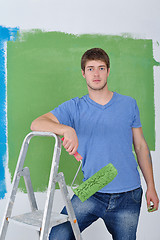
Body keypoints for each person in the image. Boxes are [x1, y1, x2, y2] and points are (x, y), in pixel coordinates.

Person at [31, 48, 159, 240]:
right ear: (83, 73)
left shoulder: (128, 104)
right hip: (93, 185)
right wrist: (67, 129)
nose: (96, 73)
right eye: (90, 69)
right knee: (58, 235)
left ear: (108, 71)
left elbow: (140, 146)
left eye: (101, 68)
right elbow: (36, 123)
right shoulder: (74, 107)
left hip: (128, 193)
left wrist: (151, 186)